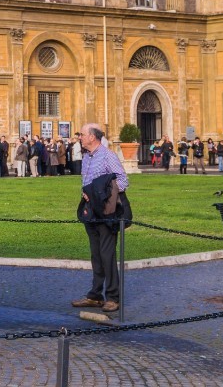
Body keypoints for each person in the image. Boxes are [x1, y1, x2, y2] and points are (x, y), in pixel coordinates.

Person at [72, 123, 129, 313]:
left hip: (106, 211)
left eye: (82, 134)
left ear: (92, 137)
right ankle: (95, 296)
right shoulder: (87, 156)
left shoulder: (108, 156)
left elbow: (122, 181)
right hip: (91, 210)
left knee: (107, 255)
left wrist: (100, 194)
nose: (80, 137)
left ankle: (113, 297)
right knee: (96, 254)